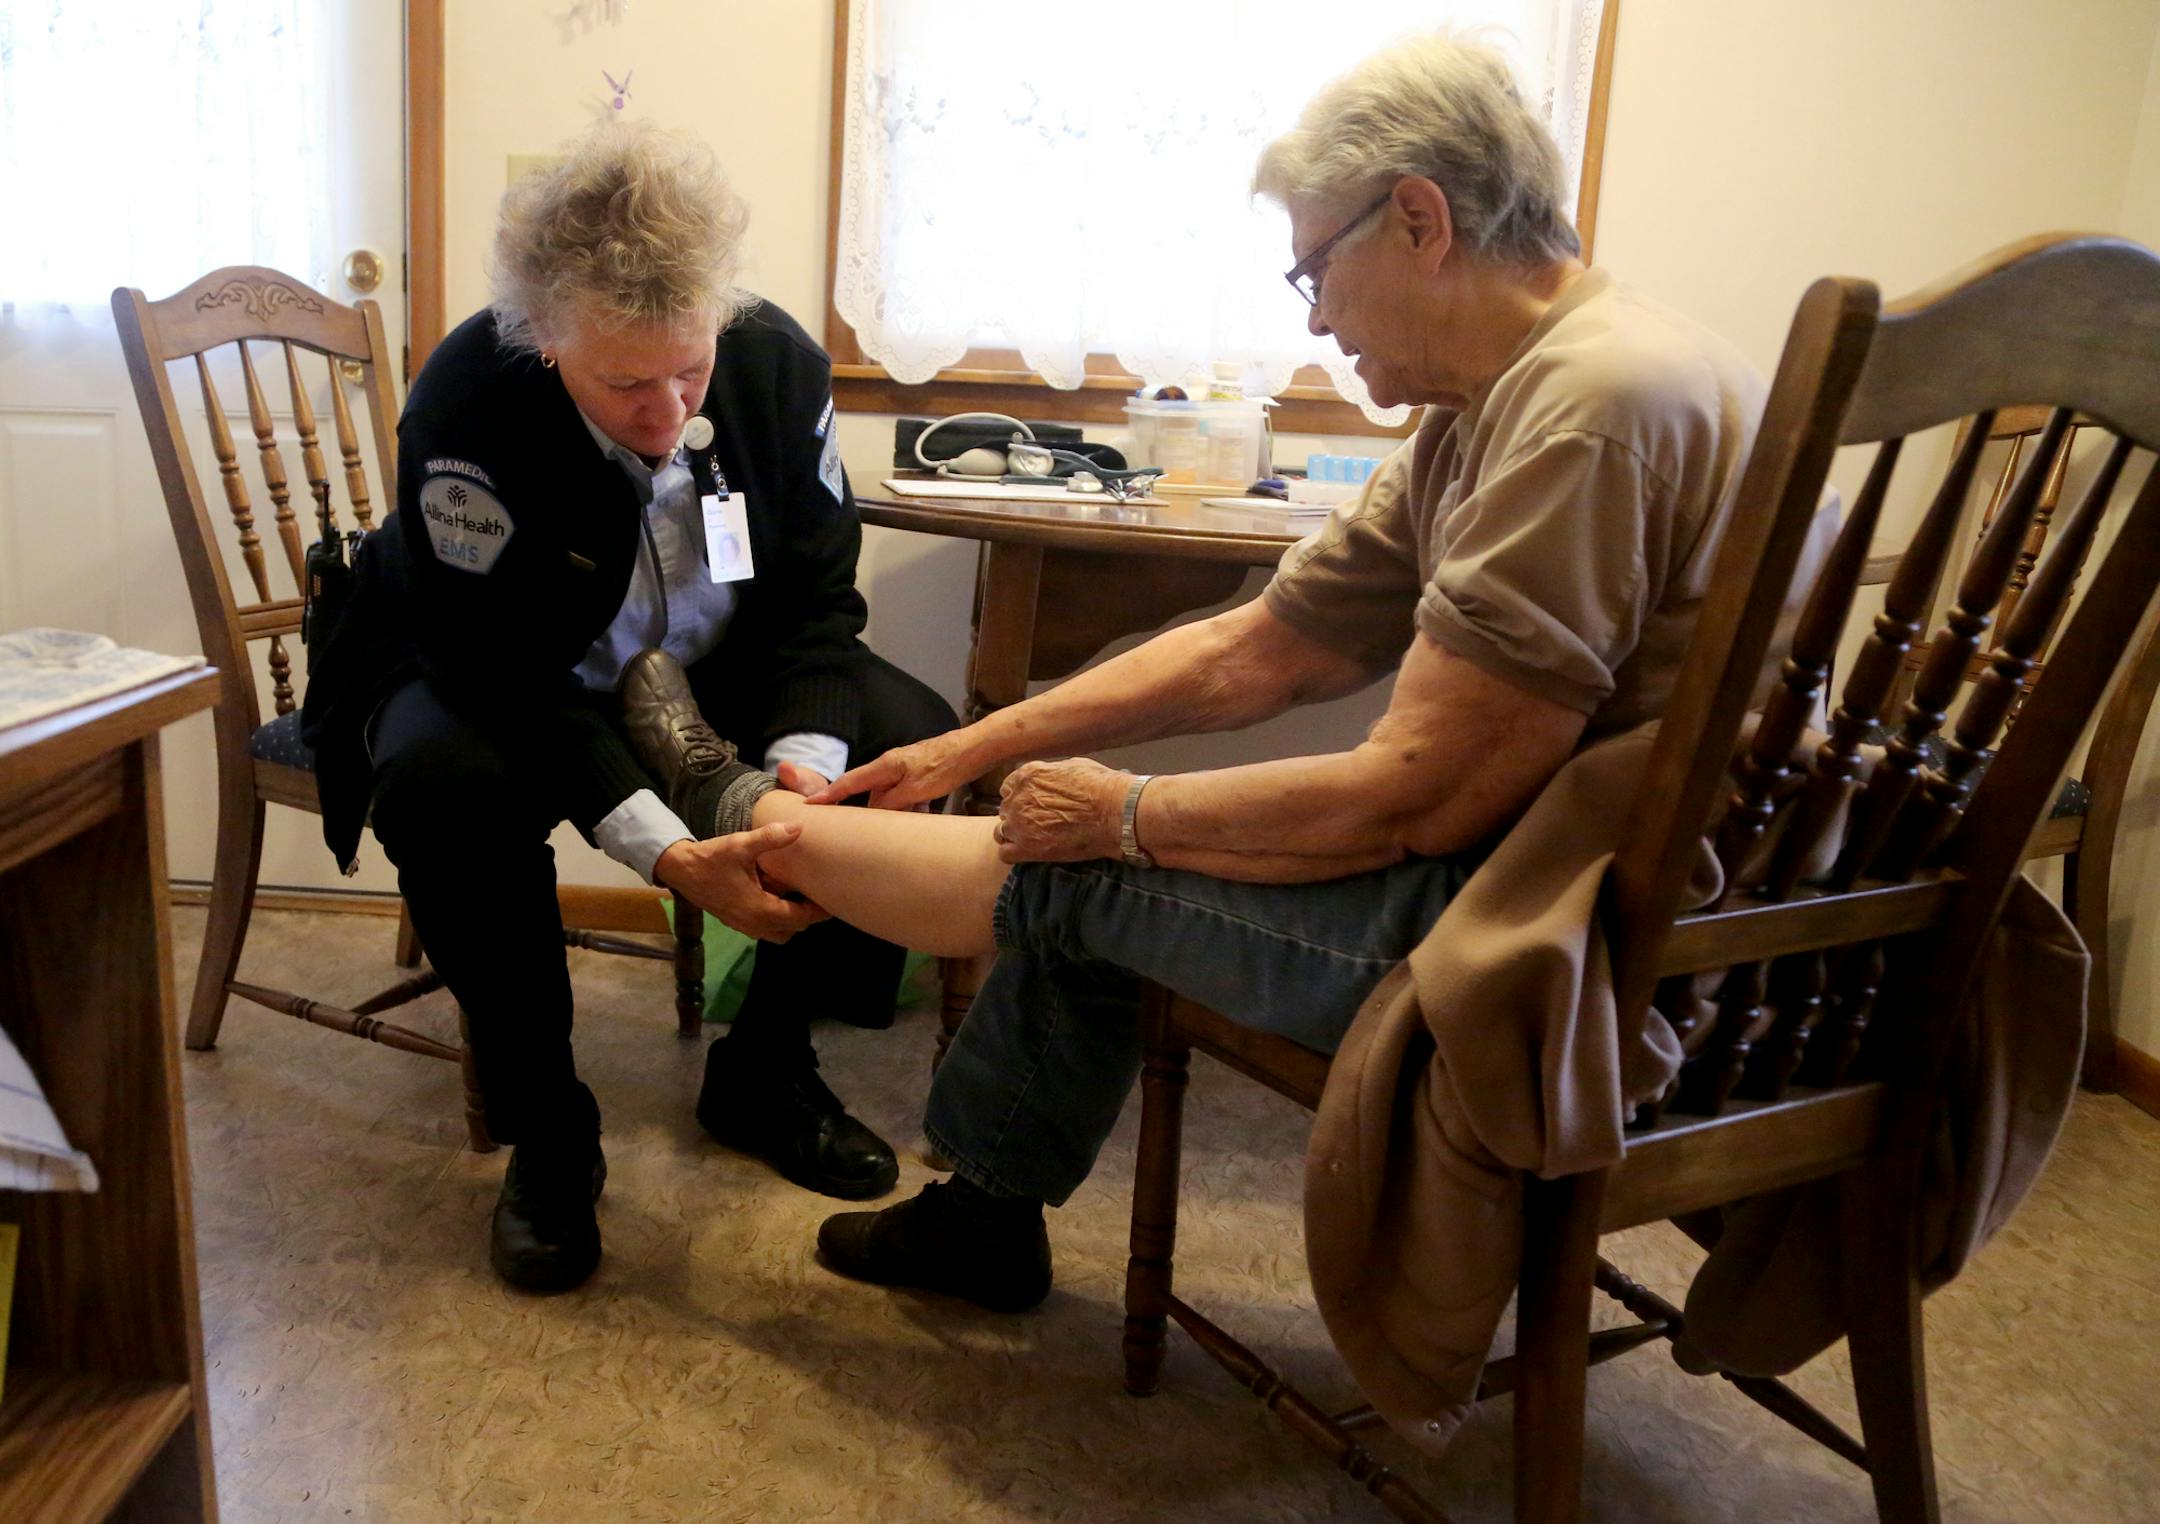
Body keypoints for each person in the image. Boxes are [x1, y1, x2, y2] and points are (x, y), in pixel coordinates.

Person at [654, 30, 1820, 1314]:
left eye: (1316, 269)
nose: (1315, 317)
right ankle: (979, 1198)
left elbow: (1417, 800)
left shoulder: (1589, 410)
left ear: (1420, 219)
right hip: (1601, 886)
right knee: (1079, 834)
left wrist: (1128, 814)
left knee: (1076, 872)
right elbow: (1254, 648)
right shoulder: (1524, 391)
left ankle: (740, 814)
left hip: (1567, 948)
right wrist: (965, 752)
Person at [300, 121, 955, 1293]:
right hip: (495, 661)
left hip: (713, 661)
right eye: (624, 381)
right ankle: (550, 1126)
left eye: (688, 371)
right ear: (546, 340)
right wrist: (662, 853)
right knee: (444, 786)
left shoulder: (777, 366)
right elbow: (493, 671)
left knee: (901, 746)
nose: (666, 413)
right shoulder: (468, 400)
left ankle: (765, 1066)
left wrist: (798, 781)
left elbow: (814, 606)